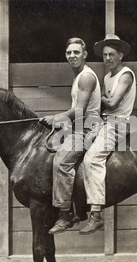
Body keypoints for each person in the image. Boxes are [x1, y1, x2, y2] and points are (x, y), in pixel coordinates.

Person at [40, 37, 102, 234]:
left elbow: (81, 110)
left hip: (88, 127)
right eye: (69, 53)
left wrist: (57, 117)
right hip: (79, 126)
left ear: (84, 55)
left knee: (62, 161)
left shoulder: (86, 77)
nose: (72, 56)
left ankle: (64, 215)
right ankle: (76, 209)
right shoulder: (78, 77)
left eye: (76, 52)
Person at [79, 34, 136, 235]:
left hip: (118, 124)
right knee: (74, 149)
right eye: (104, 55)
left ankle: (95, 215)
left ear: (120, 55)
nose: (108, 59)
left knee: (92, 159)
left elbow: (112, 103)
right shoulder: (107, 77)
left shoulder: (126, 75)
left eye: (112, 54)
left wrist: (95, 97)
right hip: (105, 121)